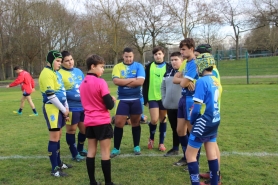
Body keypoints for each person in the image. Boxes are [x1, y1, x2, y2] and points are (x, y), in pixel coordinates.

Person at [80, 54, 119, 185]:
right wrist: (112, 100)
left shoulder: (83, 83)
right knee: (105, 152)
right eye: (101, 67)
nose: (103, 70)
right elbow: (109, 105)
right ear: (93, 66)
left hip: (89, 122)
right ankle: (108, 182)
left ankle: (92, 182)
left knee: (91, 151)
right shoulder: (100, 82)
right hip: (102, 121)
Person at [185, 53, 222, 185]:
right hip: (215, 119)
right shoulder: (215, 79)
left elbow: (196, 108)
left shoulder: (201, 81)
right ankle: (214, 182)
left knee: (190, 155)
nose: (196, 69)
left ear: (202, 65)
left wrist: (193, 119)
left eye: (197, 66)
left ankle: (195, 183)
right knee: (211, 152)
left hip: (204, 121)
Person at [39, 50, 72, 177]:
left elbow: (62, 92)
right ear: (50, 61)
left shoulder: (56, 73)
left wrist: (66, 107)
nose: (59, 63)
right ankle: (55, 169)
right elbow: (51, 95)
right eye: (57, 61)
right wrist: (64, 110)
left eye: (60, 61)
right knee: (54, 137)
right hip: (52, 108)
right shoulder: (46, 73)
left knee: (58, 135)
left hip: (60, 108)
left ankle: (59, 163)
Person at [110, 47, 145, 157]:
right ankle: (116, 148)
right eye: (126, 56)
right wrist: (133, 80)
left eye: (130, 57)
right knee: (119, 123)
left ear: (133, 56)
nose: (128, 59)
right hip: (122, 100)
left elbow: (140, 81)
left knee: (135, 123)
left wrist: (123, 82)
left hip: (136, 99)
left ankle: (136, 146)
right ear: (123, 56)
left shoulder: (139, 66)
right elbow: (116, 81)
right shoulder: (117, 67)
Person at [173, 38, 198, 167]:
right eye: (180, 49)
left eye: (183, 49)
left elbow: (181, 82)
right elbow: (175, 79)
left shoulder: (194, 63)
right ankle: (186, 157)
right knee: (180, 131)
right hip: (183, 99)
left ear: (191, 49)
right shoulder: (186, 63)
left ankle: (194, 161)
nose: (181, 52)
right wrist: (184, 80)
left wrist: (183, 80)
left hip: (191, 100)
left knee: (192, 132)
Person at [59, 51, 87, 162]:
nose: (70, 62)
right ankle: (74, 153)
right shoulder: (59, 73)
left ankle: (80, 148)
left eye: (71, 59)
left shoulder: (78, 71)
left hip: (83, 106)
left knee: (85, 129)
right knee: (71, 130)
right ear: (61, 62)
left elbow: (85, 85)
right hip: (71, 107)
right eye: (67, 60)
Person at [143, 46, 171, 152]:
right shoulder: (149, 66)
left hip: (164, 98)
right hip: (152, 97)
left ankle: (161, 143)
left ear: (163, 54)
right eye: (155, 54)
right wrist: (145, 99)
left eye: (159, 54)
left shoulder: (168, 67)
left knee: (163, 120)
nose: (157, 56)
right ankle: (151, 138)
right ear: (153, 56)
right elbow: (145, 84)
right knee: (154, 120)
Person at [161, 52, 183, 156]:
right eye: (172, 60)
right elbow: (163, 87)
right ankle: (175, 149)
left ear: (181, 60)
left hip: (182, 107)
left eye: (176, 59)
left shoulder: (185, 72)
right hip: (170, 106)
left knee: (183, 130)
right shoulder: (167, 73)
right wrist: (164, 100)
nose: (173, 62)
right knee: (174, 128)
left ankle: (186, 152)